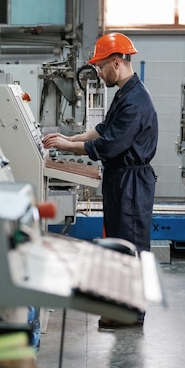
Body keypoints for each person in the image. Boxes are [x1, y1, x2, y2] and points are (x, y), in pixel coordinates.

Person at [42, 33, 158, 328]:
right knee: (120, 240)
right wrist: (71, 138)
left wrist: (68, 147)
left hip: (131, 182)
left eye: (101, 67)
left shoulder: (134, 101)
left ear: (116, 63)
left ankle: (132, 312)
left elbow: (109, 145)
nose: (98, 73)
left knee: (130, 244)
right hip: (121, 178)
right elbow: (104, 128)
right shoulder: (126, 92)